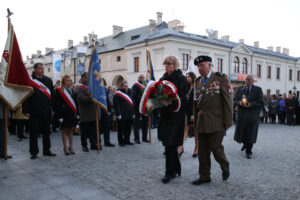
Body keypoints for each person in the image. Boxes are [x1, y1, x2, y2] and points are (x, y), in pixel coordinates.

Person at [192, 55, 232, 185]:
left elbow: (228, 101)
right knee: (202, 152)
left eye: (202, 65)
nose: (200, 68)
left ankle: (225, 166)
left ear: (210, 65)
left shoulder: (220, 78)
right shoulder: (198, 81)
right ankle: (204, 176)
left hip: (216, 121)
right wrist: (194, 120)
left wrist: (228, 121)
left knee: (216, 148)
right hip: (201, 122)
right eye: (198, 66)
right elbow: (195, 103)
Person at [157, 56, 186, 184]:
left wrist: (170, 101)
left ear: (175, 65)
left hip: (176, 115)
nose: (167, 66)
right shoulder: (162, 79)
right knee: (169, 144)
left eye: (169, 64)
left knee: (170, 144)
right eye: (165, 64)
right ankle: (177, 168)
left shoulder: (181, 79)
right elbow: (156, 94)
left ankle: (169, 173)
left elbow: (183, 97)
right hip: (164, 116)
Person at [23, 63, 56, 159]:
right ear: (35, 69)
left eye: (43, 68)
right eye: (40, 68)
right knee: (34, 132)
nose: (42, 70)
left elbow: (52, 96)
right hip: (34, 111)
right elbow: (26, 96)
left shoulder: (48, 80)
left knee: (47, 132)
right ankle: (33, 152)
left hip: (46, 110)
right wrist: (26, 110)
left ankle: (47, 150)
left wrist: (53, 109)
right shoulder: (30, 80)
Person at [234, 75, 263, 159]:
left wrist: (251, 104)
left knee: (251, 133)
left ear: (253, 81)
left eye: (249, 80)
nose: (247, 81)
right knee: (242, 132)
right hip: (241, 115)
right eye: (246, 80)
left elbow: (260, 103)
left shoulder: (258, 90)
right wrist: (239, 103)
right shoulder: (240, 89)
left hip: (252, 115)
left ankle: (249, 151)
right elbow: (234, 100)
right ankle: (245, 143)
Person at [55, 75, 78, 155]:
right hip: (64, 113)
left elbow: (76, 102)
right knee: (64, 130)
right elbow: (57, 104)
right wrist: (60, 116)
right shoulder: (59, 90)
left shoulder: (72, 90)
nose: (69, 82)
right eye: (67, 80)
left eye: (70, 80)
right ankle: (65, 147)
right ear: (63, 81)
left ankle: (71, 146)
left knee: (71, 129)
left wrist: (77, 113)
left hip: (71, 112)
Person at [76, 72, 98, 152]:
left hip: (92, 112)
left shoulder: (91, 87)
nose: (89, 79)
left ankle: (93, 144)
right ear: (83, 78)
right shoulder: (80, 88)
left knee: (92, 131)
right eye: (87, 77)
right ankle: (84, 145)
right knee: (84, 132)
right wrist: (91, 98)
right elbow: (81, 98)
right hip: (85, 113)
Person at [178, 72, 197, 157]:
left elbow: (197, 101)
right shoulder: (187, 87)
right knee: (184, 129)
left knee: (196, 132)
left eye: (189, 76)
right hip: (186, 111)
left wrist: (194, 113)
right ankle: (181, 147)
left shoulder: (197, 87)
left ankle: (197, 148)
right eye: (187, 77)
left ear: (193, 77)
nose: (187, 78)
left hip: (194, 112)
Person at [113, 81, 134, 146]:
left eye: (127, 86)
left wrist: (133, 113)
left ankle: (127, 140)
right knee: (121, 129)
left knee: (128, 129)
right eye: (125, 86)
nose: (126, 87)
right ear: (121, 86)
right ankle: (121, 142)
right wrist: (118, 114)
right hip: (122, 115)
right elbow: (116, 105)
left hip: (129, 114)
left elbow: (131, 104)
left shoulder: (129, 93)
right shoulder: (117, 94)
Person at [131, 74, 149, 144]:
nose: (141, 78)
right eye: (140, 77)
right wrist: (142, 99)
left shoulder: (146, 85)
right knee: (137, 123)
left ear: (144, 78)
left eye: (142, 77)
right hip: (137, 107)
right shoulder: (135, 85)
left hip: (145, 106)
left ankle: (144, 138)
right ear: (138, 78)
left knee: (145, 122)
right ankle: (137, 138)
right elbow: (133, 95)